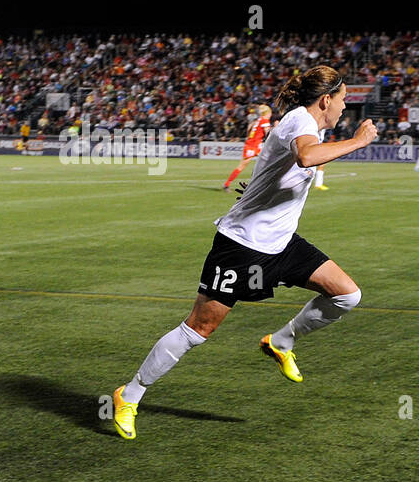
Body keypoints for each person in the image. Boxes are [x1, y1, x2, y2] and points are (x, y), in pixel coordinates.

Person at [110, 66, 377, 440]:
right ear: (326, 99)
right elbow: (306, 157)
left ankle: (281, 340)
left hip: (282, 244)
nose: (345, 107)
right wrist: (359, 141)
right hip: (242, 247)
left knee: (348, 294)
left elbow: (283, 169)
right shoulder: (300, 120)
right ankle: (129, 394)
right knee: (198, 330)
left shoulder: (308, 126)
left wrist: (257, 192)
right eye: (344, 98)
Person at [223, 105, 273, 190]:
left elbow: (249, 129)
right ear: (267, 113)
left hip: (253, 144)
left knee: (268, 162)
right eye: (270, 113)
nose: (270, 115)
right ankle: (227, 184)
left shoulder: (258, 120)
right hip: (253, 145)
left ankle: (262, 184)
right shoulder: (265, 121)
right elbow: (268, 134)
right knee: (243, 165)